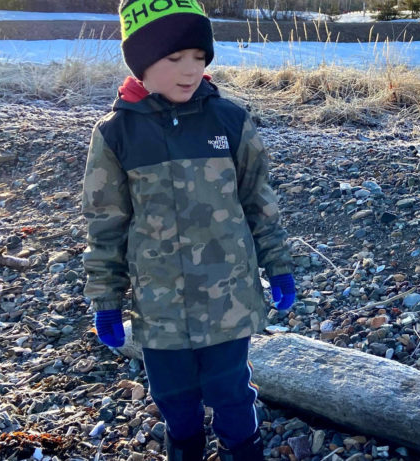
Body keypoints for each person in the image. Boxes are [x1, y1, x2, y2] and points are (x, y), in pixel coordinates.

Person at [81, 1, 296, 460]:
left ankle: (245, 450)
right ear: (141, 64)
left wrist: (279, 266)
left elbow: (260, 201)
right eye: (174, 58)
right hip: (159, 308)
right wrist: (105, 299)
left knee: (233, 395)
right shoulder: (116, 134)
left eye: (199, 57)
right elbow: (105, 225)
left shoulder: (229, 120)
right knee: (175, 401)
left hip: (228, 301)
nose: (190, 70)